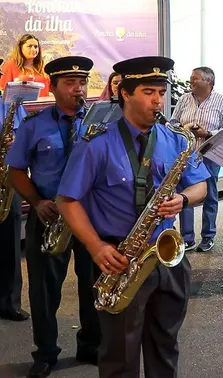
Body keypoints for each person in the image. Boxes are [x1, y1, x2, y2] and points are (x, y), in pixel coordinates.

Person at [56, 56, 210, 378]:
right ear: (125, 93)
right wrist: (96, 248)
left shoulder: (175, 140)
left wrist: (182, 198)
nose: (158, 100)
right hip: (121, 259)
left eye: (161, 92)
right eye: (148, 92)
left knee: (165, 348)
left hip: (167, 258)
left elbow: (201, 186)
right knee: (120, 357)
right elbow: (67, 200)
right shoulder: (96, 143)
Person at [6, 56, 97, 378]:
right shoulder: (35, 125)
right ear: (54, 87)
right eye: (70, 83)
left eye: (82, 82)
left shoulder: (99, 123)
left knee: (94, 286)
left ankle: (91, 345)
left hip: (91, 216)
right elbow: (16, 170)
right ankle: (45, 352)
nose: (78, 89)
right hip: (49, 216)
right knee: (44, 292)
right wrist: (36, 200)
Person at [171, 66, 223, 252]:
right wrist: (184, 128)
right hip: (187, 155)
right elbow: (173, 123)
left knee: (210, 195)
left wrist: (207, 133)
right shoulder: (184, 99)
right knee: (186, 195)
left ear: (208, 81)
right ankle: (187, 238)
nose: (191, 81)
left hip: (210, 154)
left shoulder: (222, 102)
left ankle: (208, 236)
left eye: (195, 78)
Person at [0, 58, 29, 324]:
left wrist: (13, 140)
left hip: (5, 178)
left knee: (9, 243)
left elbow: (22, 136)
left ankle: (10, 302)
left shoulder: (10, 104)